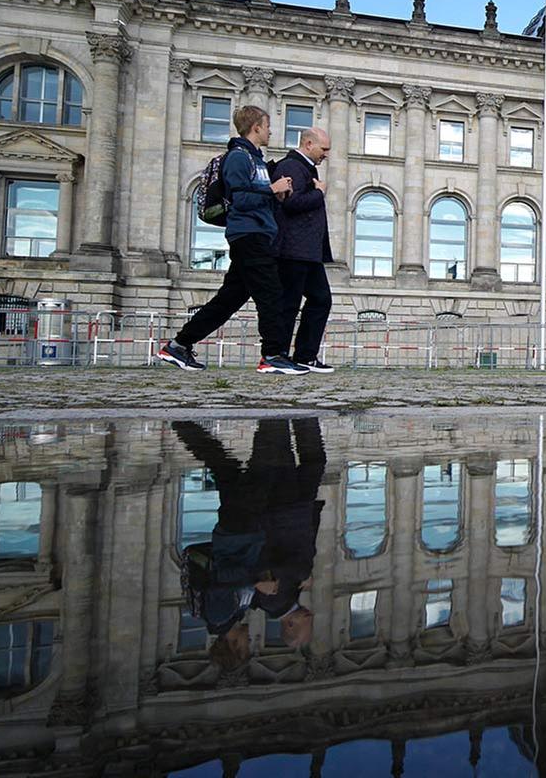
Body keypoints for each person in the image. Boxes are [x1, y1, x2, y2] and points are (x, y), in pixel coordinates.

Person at [157, 105, 307, 374]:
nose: (271, 131)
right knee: (272, 293)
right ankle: (272, 355)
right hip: (248, 235)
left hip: (257, 233)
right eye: (268, 125)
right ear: (256, 127)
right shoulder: (238, 157)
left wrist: (277, 195)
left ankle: (178, 345)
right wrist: (271, 189)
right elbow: (239, 199)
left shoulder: (256, 160)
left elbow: (257, 197)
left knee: (228, 300)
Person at [171, 418, 327, 671]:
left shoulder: (219, 616)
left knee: (264, 467)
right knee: (226, 468)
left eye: (245, 646)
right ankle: (184, 425)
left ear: (234, 646)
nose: (250, 640)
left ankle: (271, 417)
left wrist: (254, 582)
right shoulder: (233, 615)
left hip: (238, 533)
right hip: (239, 534)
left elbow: (221, 581)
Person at [272, 127, 335, 372]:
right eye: (324, 149)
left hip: (308, 252)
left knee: (321, 299)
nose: (326, 154)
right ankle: (278, 355)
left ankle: (305, 356)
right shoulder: (291, 166)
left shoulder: (306, 168)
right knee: (289, 303)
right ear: (308, 144)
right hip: (292, 250)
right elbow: (291, 203)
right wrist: (319, 193)